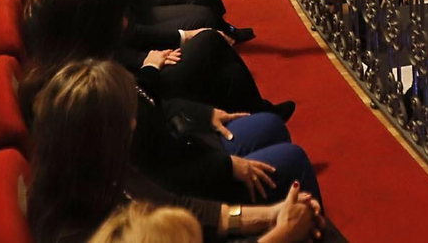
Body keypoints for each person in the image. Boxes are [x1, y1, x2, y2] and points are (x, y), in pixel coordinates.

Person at [26, 58, 327, 243]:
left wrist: (271, 216)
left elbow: (180, 206)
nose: (134, 124)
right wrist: (281, 235)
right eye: (126, 123)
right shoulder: (79, 230)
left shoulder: (99, 167)